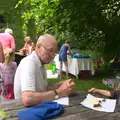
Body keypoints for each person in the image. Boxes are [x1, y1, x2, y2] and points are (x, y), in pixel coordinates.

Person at [14, 34, 75, 107]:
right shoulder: (29, 62)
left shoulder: (41, 63)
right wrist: (59, 92)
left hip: (36, 108)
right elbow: (28, 99)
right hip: (23, 110)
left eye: (54, 52)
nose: (53, 55)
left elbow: (43, 89)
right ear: (38, 47)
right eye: (50, 50)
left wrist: (58, 85)